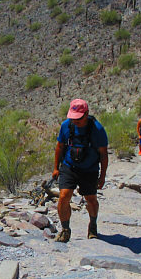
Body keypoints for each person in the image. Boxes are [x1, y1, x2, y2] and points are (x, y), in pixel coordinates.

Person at [52, 99, 109, 242]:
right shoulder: (66, 126)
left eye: (79, 118)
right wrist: (55, 168)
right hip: (69, 166)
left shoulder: (98, 129)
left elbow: (103, 154)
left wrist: (102, 177)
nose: (75, 121)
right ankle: (65, 229)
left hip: (89, 169)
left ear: (87, 114)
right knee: (64, 196)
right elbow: (59, 146)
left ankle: (93, 225)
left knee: (91, 199)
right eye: (73, 118)